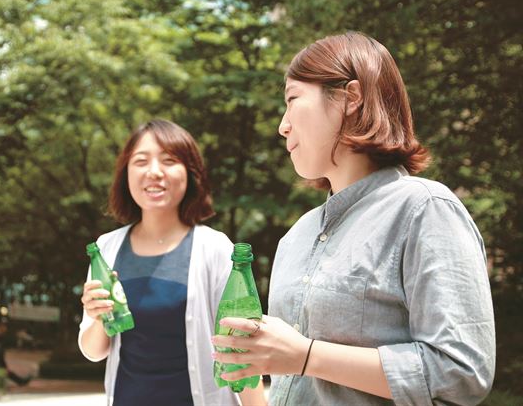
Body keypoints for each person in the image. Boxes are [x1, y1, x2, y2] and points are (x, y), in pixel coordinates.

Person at [211, 31, 495, 405]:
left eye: (292, 99)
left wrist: (306, 356)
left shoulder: (424, 208)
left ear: (350, 98)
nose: (282, 125)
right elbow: (289, 383)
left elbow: (461, 373)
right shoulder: (295, 236)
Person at [78, 119, 266, 406]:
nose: (154, 172)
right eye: (141, 161)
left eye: (169, 161)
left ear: (190, 174)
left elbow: (240, 348)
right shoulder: (106, 248)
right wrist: (99, 315)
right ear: (125, 174)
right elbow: (93, 350)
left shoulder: (215, 249)